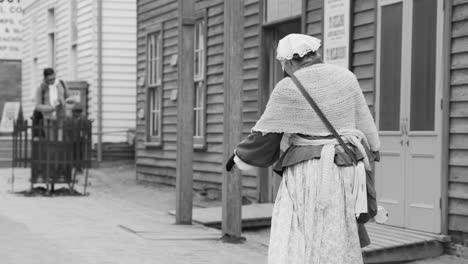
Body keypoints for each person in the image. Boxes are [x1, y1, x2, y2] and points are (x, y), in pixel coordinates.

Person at [228, 34, 380, 264]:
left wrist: (239, 157)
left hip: (308, 172)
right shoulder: (346, 77)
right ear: (314, 54)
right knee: (338, 229)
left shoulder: (288, 88)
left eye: (283, 65)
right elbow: (365, 122)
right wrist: (374, 150)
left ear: (289, 61)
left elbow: (265, 137)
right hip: (345, 167)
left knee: (300, 232)